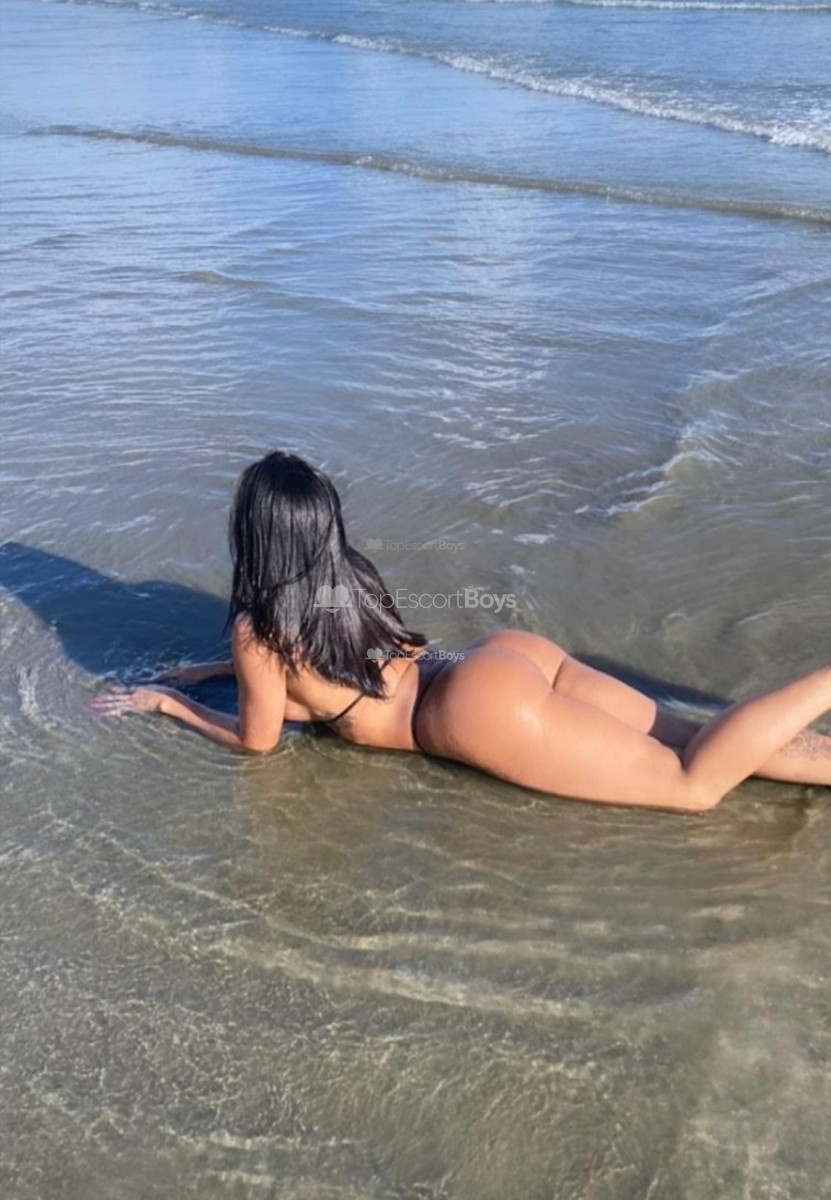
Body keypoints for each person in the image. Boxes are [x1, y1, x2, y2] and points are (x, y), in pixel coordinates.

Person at [92, 451, 831, 813]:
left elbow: (257, 743)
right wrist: (213, 671)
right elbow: (329, 680)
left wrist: (169, 703)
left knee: (691, 785)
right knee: (692, 738)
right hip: (497, 659)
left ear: (254, 535)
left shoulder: (259, 632)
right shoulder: (348, 577)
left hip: (473, 712)